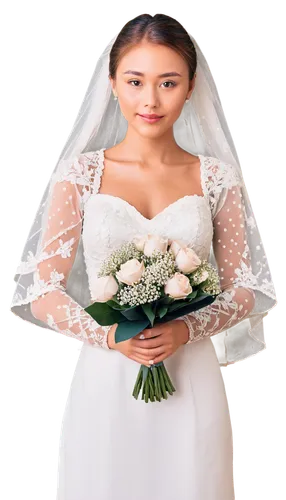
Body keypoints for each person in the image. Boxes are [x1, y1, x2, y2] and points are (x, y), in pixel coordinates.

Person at [8, 11, 279, 500]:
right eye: (135, 81)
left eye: (168, 83)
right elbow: (43, 290)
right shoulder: (80, 174)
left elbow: (246, 288)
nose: (150, 100)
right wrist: (109, 335)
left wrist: (185, 329)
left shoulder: (215, 177)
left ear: (191, 86)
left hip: (190, 370)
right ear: (113, 83)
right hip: (108, 377)